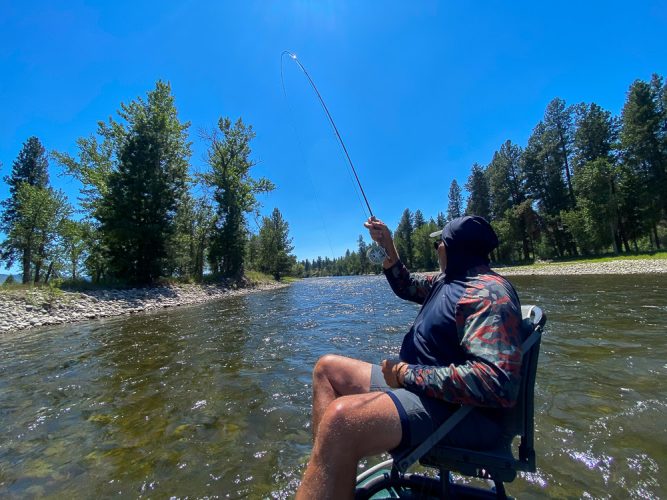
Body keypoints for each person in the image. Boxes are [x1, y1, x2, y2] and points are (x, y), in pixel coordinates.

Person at [295, 215, 523, 500]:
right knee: (327, 369)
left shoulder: (487, 293)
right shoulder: (449, 280)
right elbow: (405, 284)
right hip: (424, 391)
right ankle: (327, 470)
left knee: (341, 421)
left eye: (439, 243)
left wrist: (405, 374)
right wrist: (387, 244)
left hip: (460, 412)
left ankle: (331, 460)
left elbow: (496, 382)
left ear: (451, 248)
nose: (437, 247)